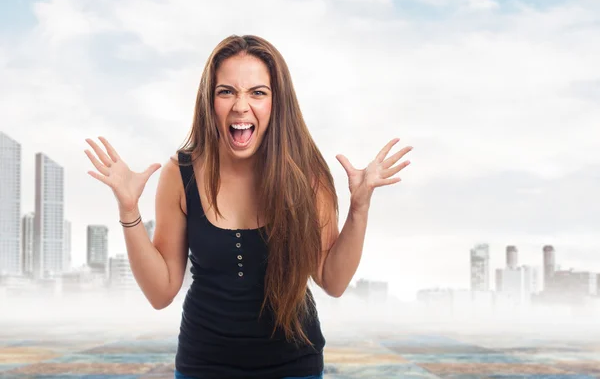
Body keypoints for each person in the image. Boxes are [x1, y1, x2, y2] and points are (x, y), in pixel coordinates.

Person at [83, 34, 412, 379]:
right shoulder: (180, 173)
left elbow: (332, 281)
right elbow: (161, 293)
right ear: (210, 102)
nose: (241, 106)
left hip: (293, 366)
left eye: (257, 92)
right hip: (202, 365)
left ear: (276, 102)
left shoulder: (307, 175)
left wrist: (359, 208)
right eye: (226, 91)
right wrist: (128, 211)